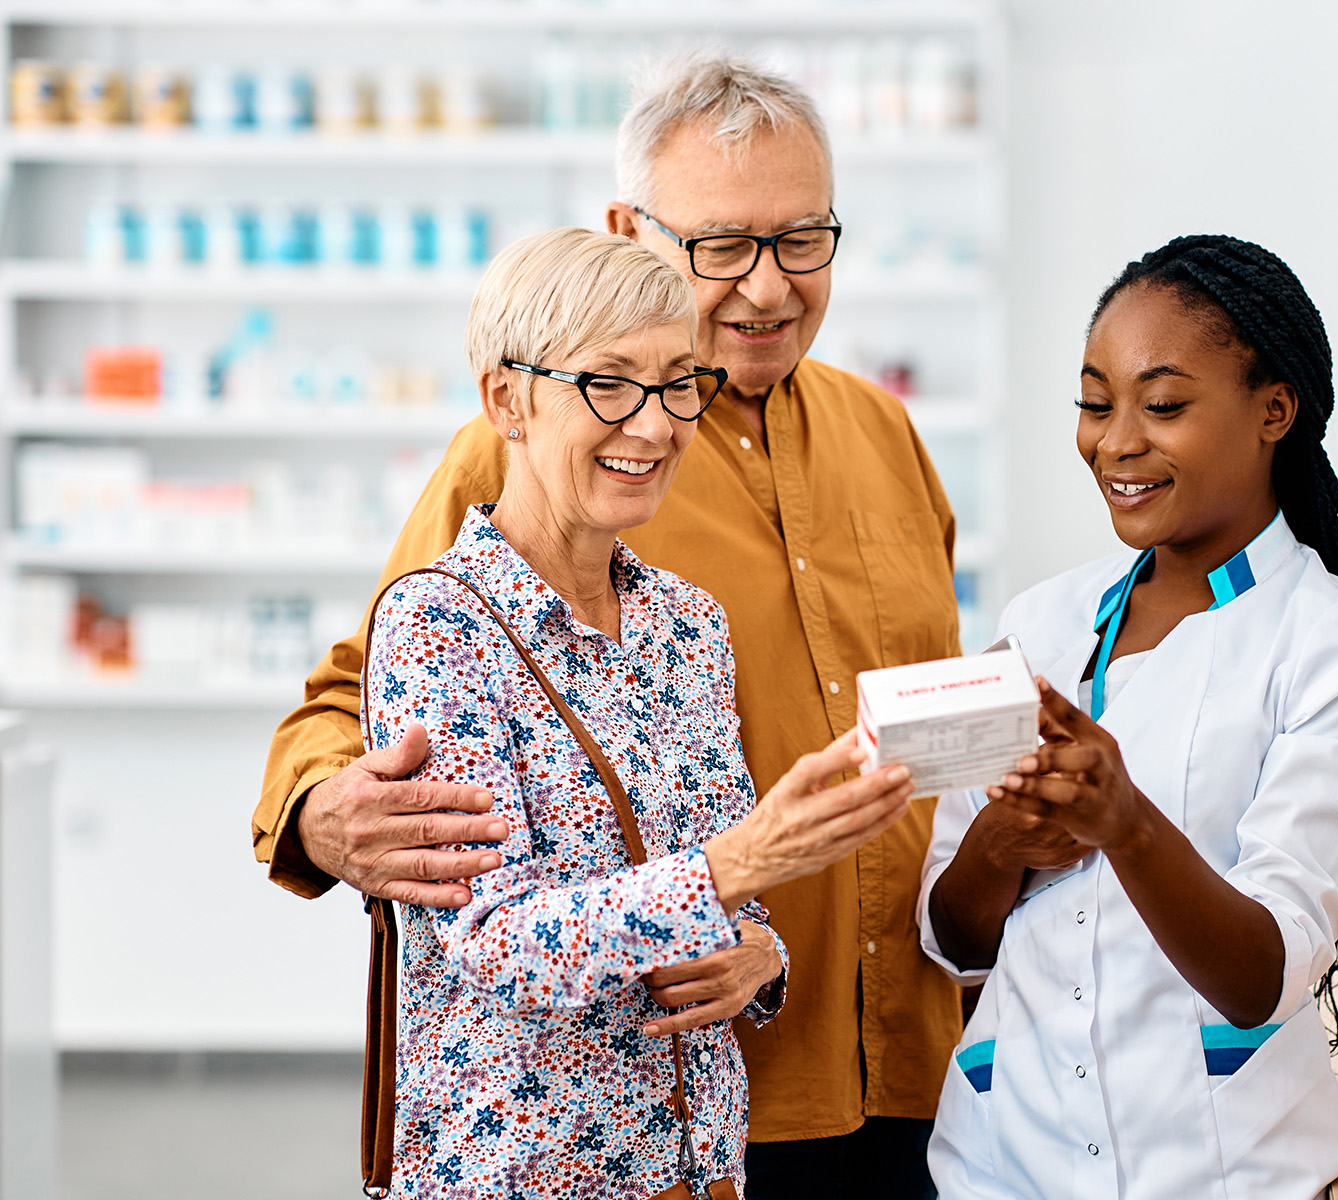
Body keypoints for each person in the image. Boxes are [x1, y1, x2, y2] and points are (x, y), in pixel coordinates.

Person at [254, 54, 1026, 1196]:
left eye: (801, 239)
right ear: (632, 228)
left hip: (908, 1061)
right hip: (666, 1090)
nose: (767, 288)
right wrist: (321, 815)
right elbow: (360, 687)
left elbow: (918, 721)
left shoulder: (887, 436)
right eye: (723, 247)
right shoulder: (534, 450)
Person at [365, 225, 915, 1197]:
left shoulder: (688, 626)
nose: (656, 425)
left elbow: (725, 906)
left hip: (698, 1171)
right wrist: (745, 864)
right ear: (508, 399)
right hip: (522, 1175)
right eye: (610, 384)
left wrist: (759, 957)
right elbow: (490, 942)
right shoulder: (438, 625)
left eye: (677, 385)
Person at [919, 235, 1338, 1198]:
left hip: (1221, 1170)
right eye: (1094, 403)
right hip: (1000, 1164)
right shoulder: (1042, 625)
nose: (1115, 441)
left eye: (1163, 405)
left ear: (1274, 409)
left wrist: (1125, 823)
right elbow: (953, 939)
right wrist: (1002, 839)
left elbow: (1262, 977)